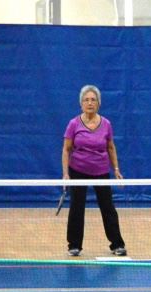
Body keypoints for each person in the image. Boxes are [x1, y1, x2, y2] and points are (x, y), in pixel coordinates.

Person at [61, 84, 128, 257]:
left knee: (108, 207)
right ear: (81, 103)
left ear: (98, 103)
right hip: (78, 170)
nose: (90, 103)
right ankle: (74, 245)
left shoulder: (106, 124)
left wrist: (116, 169)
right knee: (77, 207)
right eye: (86, 100)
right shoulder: (73, 124)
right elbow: (66, 149)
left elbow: (111, 147)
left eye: (93, 100)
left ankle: (117, 244)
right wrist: (66, 174)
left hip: (100, 171)